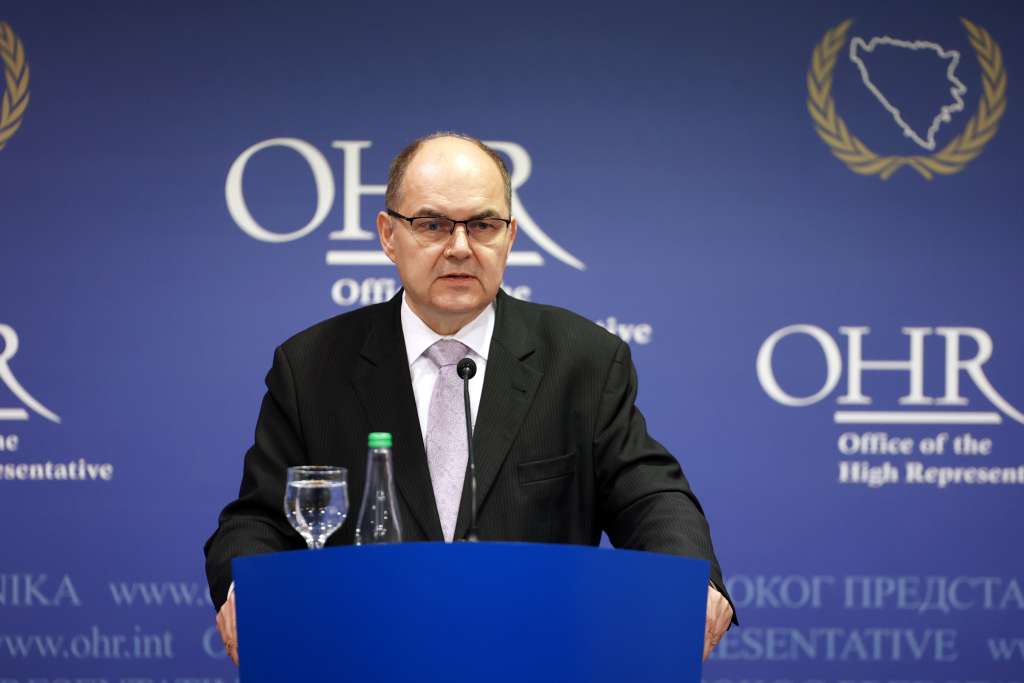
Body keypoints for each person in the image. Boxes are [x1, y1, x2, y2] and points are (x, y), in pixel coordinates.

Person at [204, 132, 736, 665]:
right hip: (366, 657)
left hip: (536, 659)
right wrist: (245, 590)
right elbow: (257, 520)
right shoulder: (312, 366)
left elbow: (650, 497)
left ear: (510, 236)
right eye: (432, 224)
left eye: (482, 225)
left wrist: (690, 578)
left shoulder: (584, 361)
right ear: (388, 235)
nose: (460, 247)